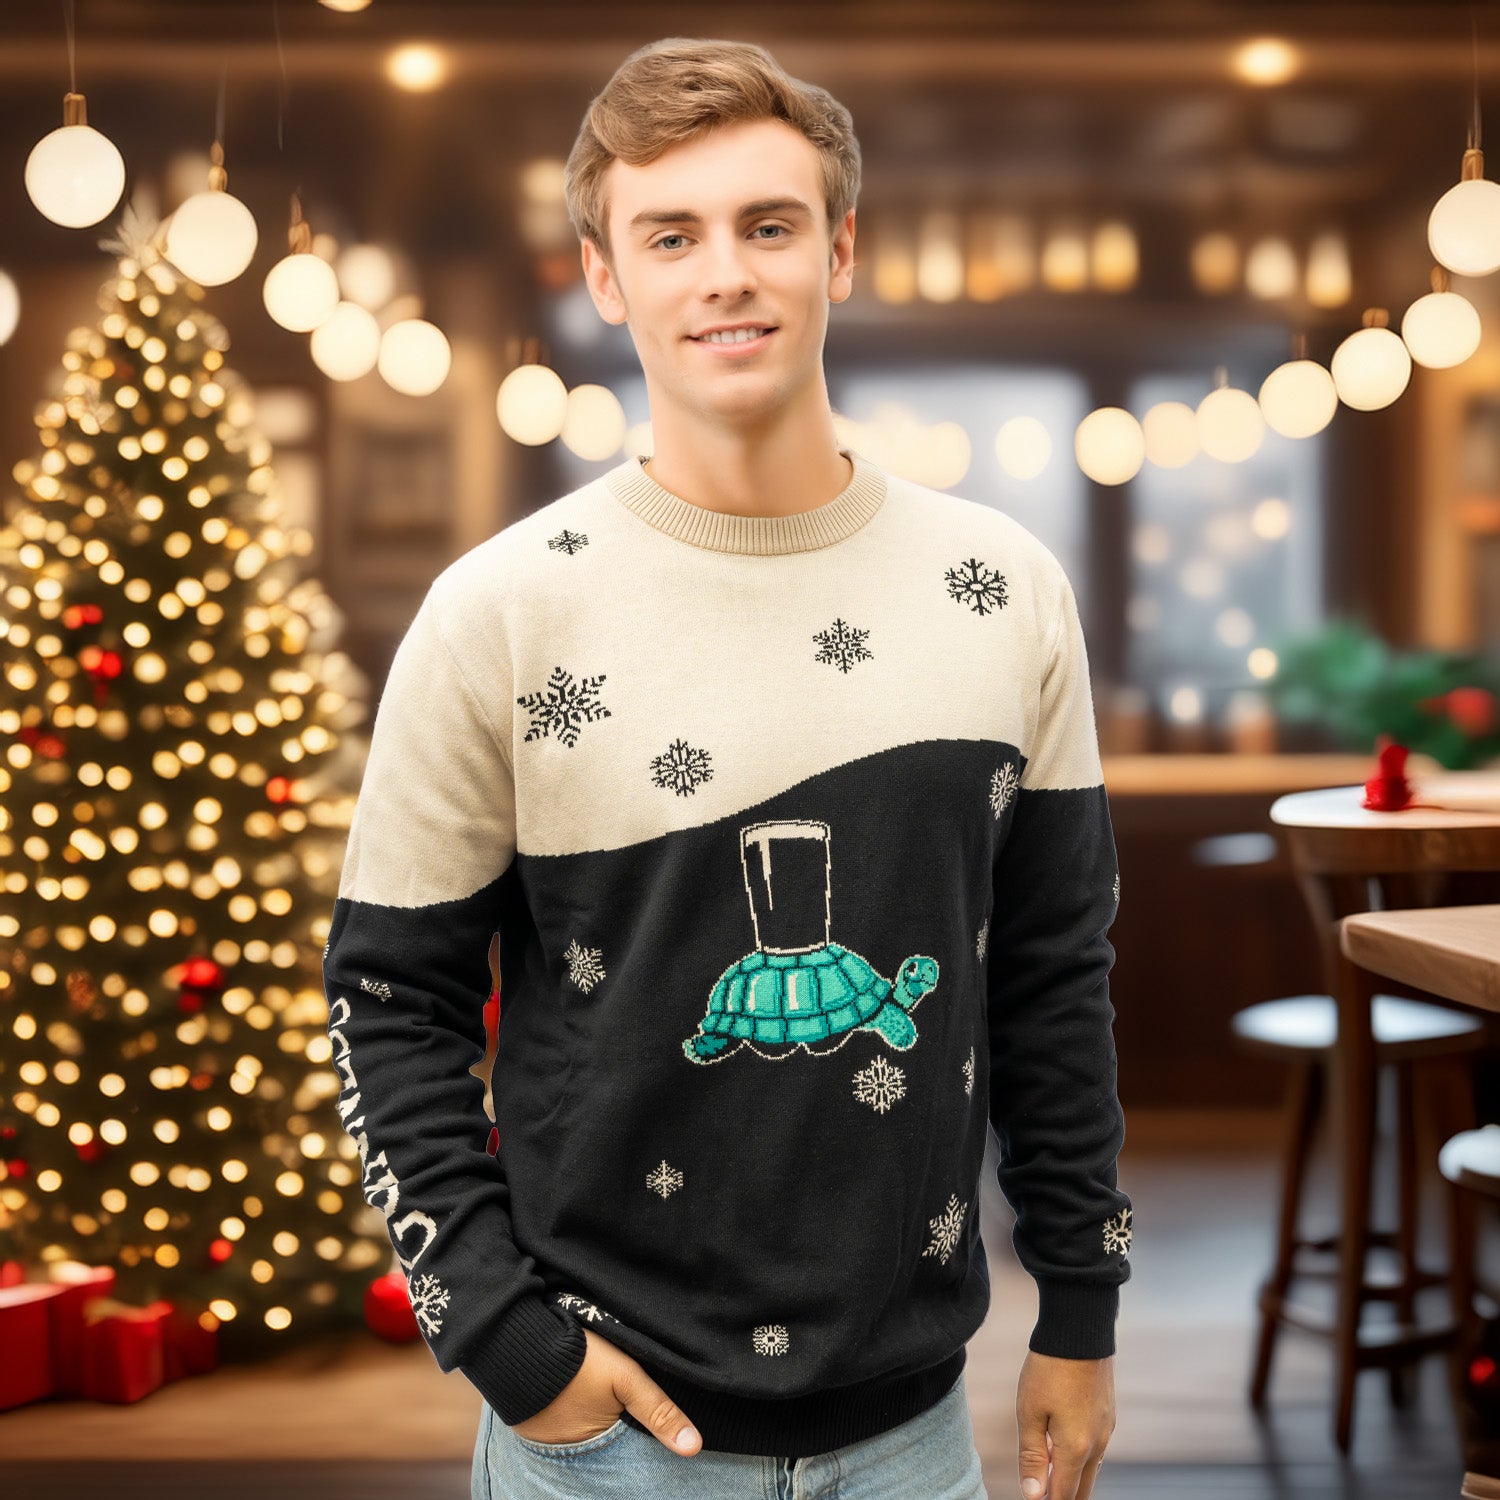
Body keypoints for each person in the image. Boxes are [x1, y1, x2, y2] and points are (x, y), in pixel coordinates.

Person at [323, 35, 1130, 1500]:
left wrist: (1082, 1308)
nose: (727, 275)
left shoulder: (1001, 589)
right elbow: (389, 998)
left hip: (916, 1436)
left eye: (768, 225)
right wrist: (506, 1343)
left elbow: (1053, 977)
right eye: (671, 235)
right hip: (601, 1439)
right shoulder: (502, 612)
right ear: (607, 276)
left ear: (841, 252)